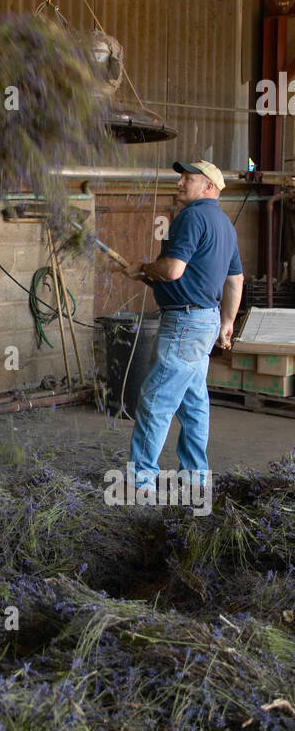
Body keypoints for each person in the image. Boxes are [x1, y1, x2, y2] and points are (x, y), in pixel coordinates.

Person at [124, 160, 243, 504]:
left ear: (208, 187)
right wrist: (226, 323)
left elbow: (173, 270)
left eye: (187, 179)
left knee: (155, 400)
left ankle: (140, 484)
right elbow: (235, 279)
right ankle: (194, 479)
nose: (179, 184)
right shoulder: (225, 224)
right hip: (204, 322)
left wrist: (144, 268)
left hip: (184, 324)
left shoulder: (191, 217)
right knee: (193, 404)